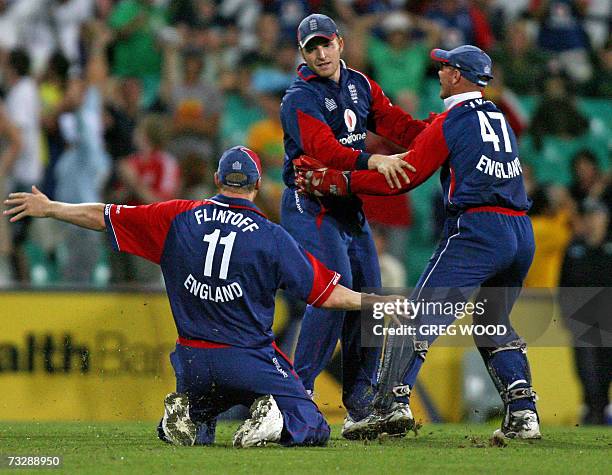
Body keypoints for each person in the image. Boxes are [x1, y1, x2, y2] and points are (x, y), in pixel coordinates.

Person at [3, 145, 389, 448]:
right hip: (248, 358)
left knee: (203, 426)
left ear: (218, 179)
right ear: (257, 186)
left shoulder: (177, 216)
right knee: (311, 424)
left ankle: (189, 412)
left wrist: (52, 208)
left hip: (191, 361)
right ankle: (271, 416)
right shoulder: (271, 236)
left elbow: (104, 215)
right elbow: (325, 295)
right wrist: (375, 302)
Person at [295, 45, 542, 440]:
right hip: (520, 231)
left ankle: (387, 405)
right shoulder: (497, 117)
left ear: (458, 76)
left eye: (444, 67)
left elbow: (405, 176)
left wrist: (341, 180)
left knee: (417, 315)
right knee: (493, 322)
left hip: (477, 229)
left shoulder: (452, 122)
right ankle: (524, 413)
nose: (439, 72)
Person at [280, 13, 430, 438]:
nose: (321, 53)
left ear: (341, 43)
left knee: (369, 299)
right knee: (333, 292)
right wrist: (372, 159)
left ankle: (360, 404)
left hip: (347, 207)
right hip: (310, 206)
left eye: (326, 44)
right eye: (312, 48)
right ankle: (298, 395)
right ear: (303, 54)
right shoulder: (298, 97)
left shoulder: (360, 85)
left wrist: (439, 136)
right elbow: (324, 150)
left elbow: (398, 124)